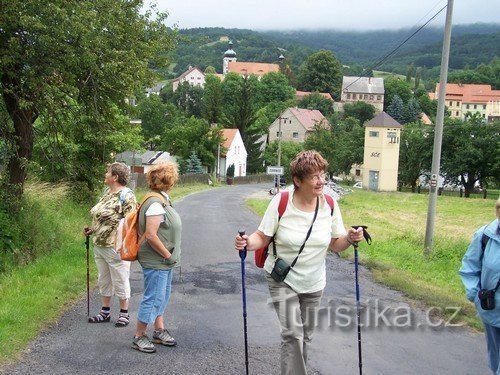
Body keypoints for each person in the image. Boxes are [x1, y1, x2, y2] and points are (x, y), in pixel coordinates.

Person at [235, 150, 364, 375]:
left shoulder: (330, 205)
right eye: (314, 177)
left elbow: (336, 244)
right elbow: (262, 237)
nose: (320, 181)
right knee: (293, 334)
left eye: (322, 175)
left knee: (305, 337)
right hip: (283, 279)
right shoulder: (282, 201)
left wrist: (350, 238)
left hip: (314, 282)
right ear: (298, 180)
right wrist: (247, 243)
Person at [132, 161, 182, 353]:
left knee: (162, 295)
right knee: (153, 297)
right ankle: (139, 335)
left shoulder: (161, 199)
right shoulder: (155, 203)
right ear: (169, 180)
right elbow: (151, 235)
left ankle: (159, 330)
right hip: (158, 260)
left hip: (163, 261)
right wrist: (167, 255)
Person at [83, 162, 137, 327]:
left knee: (120, 278)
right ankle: (105, 312)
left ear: (115, 177)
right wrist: (93, 229)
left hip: (115, 247)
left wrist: (121, 243)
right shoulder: (107, 193)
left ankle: (124, 314)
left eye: (108, 173)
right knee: (104, 279)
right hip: (99, 244)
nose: (105, 175)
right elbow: (102, 216)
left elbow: (131, 221)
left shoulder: (127, 196)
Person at [460, 197, 500, 375]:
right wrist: (475, 296)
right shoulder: (485, 235)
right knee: (496, 358)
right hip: (491, 309)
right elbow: (469, 268)